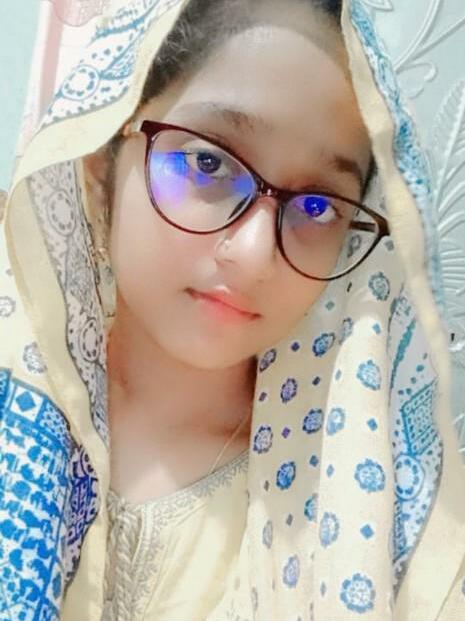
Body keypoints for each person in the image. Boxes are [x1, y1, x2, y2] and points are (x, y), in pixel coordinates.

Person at [1, 0, 465, 619]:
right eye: (209, 163)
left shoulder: (351, 502)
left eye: (318, 206)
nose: (253, 256)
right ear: (101, 157)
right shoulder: (17, 395)